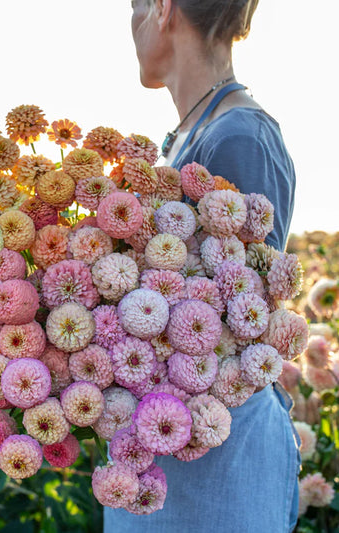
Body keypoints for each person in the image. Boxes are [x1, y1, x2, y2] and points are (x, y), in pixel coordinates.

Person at [104, 1, 301, 532]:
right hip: (176, 455)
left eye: (135, 5)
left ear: (164, 8)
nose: (130, 22)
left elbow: (239, 325)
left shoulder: (239, 138)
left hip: (214, 468)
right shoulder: (201, 131)